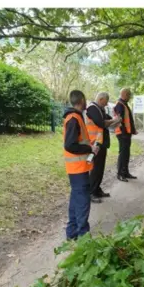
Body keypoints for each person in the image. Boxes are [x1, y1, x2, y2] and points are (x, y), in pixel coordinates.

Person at [63, 90, 94, 240]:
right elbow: (70, 145)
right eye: (85, 99)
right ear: (81, 100)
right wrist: (90, 149)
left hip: (77, 168)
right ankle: (83, 236)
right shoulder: (74, 118)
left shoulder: (74, 117)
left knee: (76, 200)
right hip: (78, 169)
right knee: (82, 202)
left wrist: (90, 147)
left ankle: (72, 233)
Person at [85, 92, 119, 202]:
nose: (106, 104)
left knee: (100, 168)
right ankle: (91, 193)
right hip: (94, 144)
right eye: (105, 102)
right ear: (101, 99)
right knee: (95, 169)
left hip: (100, 143)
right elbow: (101, 123)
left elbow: (108, 119)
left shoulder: (100, 109)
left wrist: (113, 120)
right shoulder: (92, 108)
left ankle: (97, 189)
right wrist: (113, 120)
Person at [114, 88, 138, 182]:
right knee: (123, 154)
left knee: (126, 154)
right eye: (128, 95)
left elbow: (128, 119)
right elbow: (118, 119)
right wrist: (123, 132)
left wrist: (132, 130)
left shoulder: (124, 104)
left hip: (127, 133)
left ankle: (126, 172)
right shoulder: (119, 104)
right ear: (124, 94)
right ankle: (120, 174)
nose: (130, 96)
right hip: (122, 134)